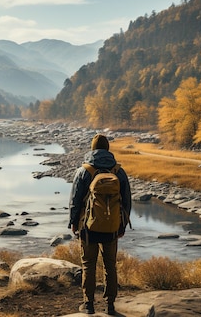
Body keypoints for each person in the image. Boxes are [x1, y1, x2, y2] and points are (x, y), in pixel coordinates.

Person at [68, 134, 131, 315]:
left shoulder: (84, 171)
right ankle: (110, 305)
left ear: (92, 148)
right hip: (112, 227)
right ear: (108, 149)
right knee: (110, 265)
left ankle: (88, 305)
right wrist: (122, 225)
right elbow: (127, 201)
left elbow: (75, 200)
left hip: (88, 228)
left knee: (88, 264)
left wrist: (73, 222)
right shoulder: (118, 171)